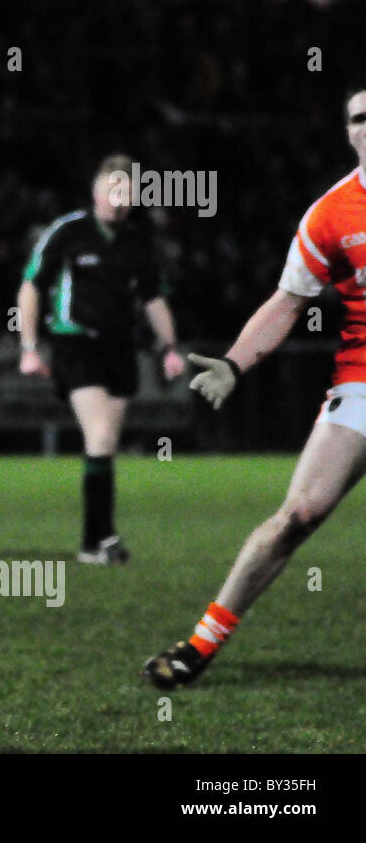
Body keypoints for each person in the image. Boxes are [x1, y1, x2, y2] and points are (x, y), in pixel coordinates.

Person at [144, 81, 366, 689]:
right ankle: (201, 644)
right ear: (347, 132)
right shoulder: (330, 215)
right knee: (298, 512)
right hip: (362, 381)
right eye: (358, 117)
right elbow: (288, 303)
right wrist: (235, 363)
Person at [17, 153, 186, 563]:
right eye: (113, 188)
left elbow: (153, 299)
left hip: (121, 350)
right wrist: (29, 346)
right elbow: (31, 286)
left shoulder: (136, 244)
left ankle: (101, 538)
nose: (119, 198)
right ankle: (97, 542)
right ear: (96, 190)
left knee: (105, 444)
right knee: (101, 436)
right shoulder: (68, 232)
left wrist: (169, 347)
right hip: (76, 345)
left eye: (127, 191)